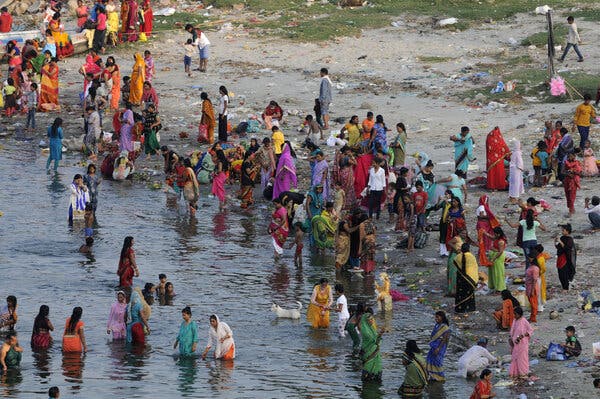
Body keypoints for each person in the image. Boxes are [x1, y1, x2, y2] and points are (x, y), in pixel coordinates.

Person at [509, 307, 533, 380]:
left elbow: (530, 330)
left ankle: (523, 373)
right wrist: (511, 339)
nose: (514, 315)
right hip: (515, 343)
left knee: (522, 358)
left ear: (519, 314)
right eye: (514, 314)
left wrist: (522, 336)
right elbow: (512, 331)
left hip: (522, 343)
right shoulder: (515, 320)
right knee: (515, 358)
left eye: (515, 314)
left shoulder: (524, 321)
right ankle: (515, 373)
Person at [426, 311, 451, 382]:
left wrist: (438, 348)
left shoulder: (445, 327)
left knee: (437, 361)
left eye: (437, 317)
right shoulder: (437, 325)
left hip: (439, 347)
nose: (436, 318)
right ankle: (433, 376)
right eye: (435, 317)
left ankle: (440, 377)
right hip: (434, 346)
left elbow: (444, 339)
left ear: (442, 317)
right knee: (430, 360)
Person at [359, 308, 382, 382]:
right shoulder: (365, 330)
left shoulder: (372, 329)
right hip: (368, 352)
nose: (372, 321)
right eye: (370, 320)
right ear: (366, 321)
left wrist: (381, 334)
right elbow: (372, 339)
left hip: (375, 352)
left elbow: (376, 340)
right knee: (368, 368)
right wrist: (378, 335)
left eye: (372, 319)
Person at [454, 243, 478, 313]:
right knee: (469, 293)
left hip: (461, 278)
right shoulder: (472, 256)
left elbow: (455, 262)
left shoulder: (458, 256)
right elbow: (475, 268)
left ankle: (460, 309)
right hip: (470, 279)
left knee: (460, 293)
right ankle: (470, 308)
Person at [555, 223, 576, 290]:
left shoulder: (570, 239)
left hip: (565, 258)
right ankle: (564, 287)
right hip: (560, 257)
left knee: (564, 273)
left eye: (563, 230)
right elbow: (558, 247)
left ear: (567, 231)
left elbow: (567, 248)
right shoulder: (562, 238)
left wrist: (560, 242)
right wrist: (555, 242)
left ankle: (566, 287)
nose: (562, 232)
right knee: (560, 273)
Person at [487, 227, 507, 292]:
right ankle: (495, 286)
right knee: (494, 272)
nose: (494, 235)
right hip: (495, 256)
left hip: (498, 257)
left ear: (498, 234)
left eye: (495, 234)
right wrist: (484, 233)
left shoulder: (501, 241)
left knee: (498, 273)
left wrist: (494, 258)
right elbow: (491, 237)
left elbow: (500, 251)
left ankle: (499, 289)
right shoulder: (497, 238)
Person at [525, 253, 539, 323]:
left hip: (532, 287)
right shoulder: (532, 266)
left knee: (533, 303)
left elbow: (534, 280)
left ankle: (533, 317)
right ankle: (532, 316)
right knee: (532, 302)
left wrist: (532, 290)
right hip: (529, 286)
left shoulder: (535, 268)